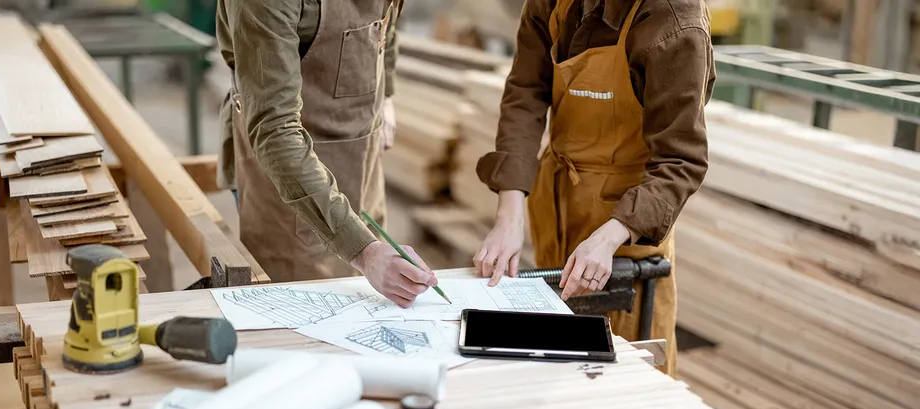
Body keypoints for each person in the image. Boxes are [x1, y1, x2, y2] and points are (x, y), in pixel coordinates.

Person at [473, 0, 715, 376]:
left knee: (630, 377)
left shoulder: (675, 21)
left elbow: (680, 161)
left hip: (628, 231)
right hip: (557, 205)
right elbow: (526, 93)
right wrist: (509, 213)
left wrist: (609, 238)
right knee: (556, 368)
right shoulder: (551, 5)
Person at [216, 0, 438, 308]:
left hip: (360, 155)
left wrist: (385, 95)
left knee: (367, 307)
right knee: (302, 316)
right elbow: (275, 131)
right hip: (285, 169)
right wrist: (364, 251)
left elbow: (386, 23)